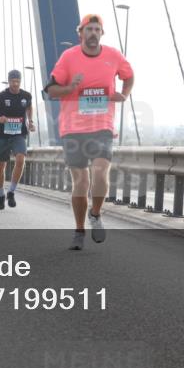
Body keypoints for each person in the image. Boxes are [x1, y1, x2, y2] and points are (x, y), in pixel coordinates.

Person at [45, 14, 134, 250]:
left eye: (97, 29)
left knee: (100, 171)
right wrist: (70, 87)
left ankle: (95, 214)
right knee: (81, 181)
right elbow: (52, 90)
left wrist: (124, 94)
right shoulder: (69, 57)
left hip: (102, 126)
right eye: (88, 29)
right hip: (73, 128)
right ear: (80, 33)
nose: (93, 33)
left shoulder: (114, 56)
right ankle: (79, 230)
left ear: (101, 33)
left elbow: (129, 75)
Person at [0, 69, 35, 209]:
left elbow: (29, 107)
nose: (15, 84)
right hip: (2, 136)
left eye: (18, 81)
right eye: (13, 81)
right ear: (8, 81)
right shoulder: (1, 97)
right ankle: (1, 195)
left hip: (19, 134)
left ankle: (11, 192)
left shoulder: (26, 95)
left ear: (20, 81)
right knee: (1, 167)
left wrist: (30, 121)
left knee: (20, 159)